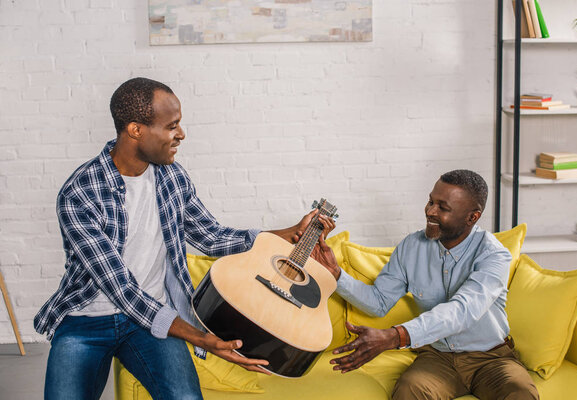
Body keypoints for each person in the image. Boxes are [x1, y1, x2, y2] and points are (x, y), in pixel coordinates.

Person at [34, 77, 335, 400]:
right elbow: (122, 289)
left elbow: (211, 236)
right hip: (86, 321)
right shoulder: (80, 193)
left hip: (149, 324)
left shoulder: (171, 177)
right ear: (136, 130)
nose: (181, 134)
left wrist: (285, 234)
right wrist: (200, 338)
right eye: (171, 126)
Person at [311, 170, 539, 400]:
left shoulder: (493, 255)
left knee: (521, 394)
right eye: (431, 201)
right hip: (438, 357)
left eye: (443, 207)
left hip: (491, 358)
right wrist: (336, 274)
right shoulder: (412, 246)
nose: (430, 211)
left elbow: (463, 311)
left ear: (473, 217)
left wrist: (394, 336)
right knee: (408, 393)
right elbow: (379, 302)